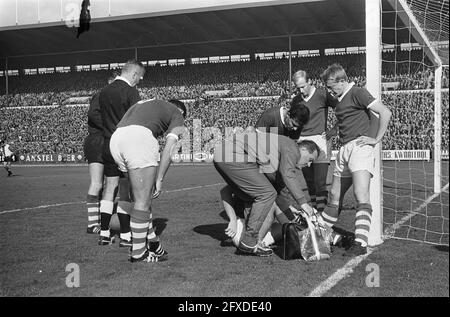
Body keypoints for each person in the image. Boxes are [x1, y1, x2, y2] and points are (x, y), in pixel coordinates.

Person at [320, 64, 392, 255]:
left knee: (361, 194)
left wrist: (376, 139)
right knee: (334, 196)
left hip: (360, 148)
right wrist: (333, 131)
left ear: (342, 81)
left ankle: (360, 243)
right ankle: (321, 234)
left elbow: (385, 112)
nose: (329, 91)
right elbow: (346, 116)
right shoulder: (341, 98)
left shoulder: (358, 92)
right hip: (343, 149)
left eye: (331, 86)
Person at [213, 131, 320, 257]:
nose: (308, 165)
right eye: (310, 160)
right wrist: (303, 203)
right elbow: (287, 175)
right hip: (241, 229)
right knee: (268, 195)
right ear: (303, 149)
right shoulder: (292, 148)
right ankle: (249, 241)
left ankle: (258, 241)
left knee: (284, 217)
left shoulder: (266, 163)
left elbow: (280, 191)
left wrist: (292, 210)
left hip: (228, 153)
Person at [109, 99, 187, 263]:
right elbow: (169, 149)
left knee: (140, 200)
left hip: (116, 139)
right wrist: (159, 178)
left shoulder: (147, 104)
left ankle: (153, 243)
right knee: (143, 202)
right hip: (138, 139)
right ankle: (139, 253)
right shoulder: (177, 114)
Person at [98, 59, 145, 247]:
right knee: (125, 191)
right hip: (125, 145)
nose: (139, 81)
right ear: (133, 74)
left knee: (109, 188)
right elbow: (137, 120)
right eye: (139, 77)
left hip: (108, 143)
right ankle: (125, 236)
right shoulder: (131, 92)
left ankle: (103, 233)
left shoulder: (104, 91)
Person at [255, 97, 311, 223]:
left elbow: (290, 148)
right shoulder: (270, 116)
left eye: (298, 127)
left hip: (277, 160)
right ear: (288, 114)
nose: (295, 129)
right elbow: (256, 142)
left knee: (282, 188)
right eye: (294, 124)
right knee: (265, 192)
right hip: (260, 158)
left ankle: (289, 220)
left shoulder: (297, 125)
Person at [292, 70, 337, 213]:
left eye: (303, 86)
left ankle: (323, 214)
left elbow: (342, 109)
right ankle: (316, 213)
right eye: (298, 87)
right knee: (310, 182)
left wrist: (333, 130)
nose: (301, 90)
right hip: (303, 141)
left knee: (320, 182)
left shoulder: (322, 95)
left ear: (310, 81)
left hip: (320, 140)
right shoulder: (296, 100)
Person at [83, 72, 117, 234]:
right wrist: (111, 127)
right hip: (98, 141)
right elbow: (93, 114)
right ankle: (93, 224)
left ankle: (102, 223)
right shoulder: (103, 93)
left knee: (110, 185)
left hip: (106, 140)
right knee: (98, 184)